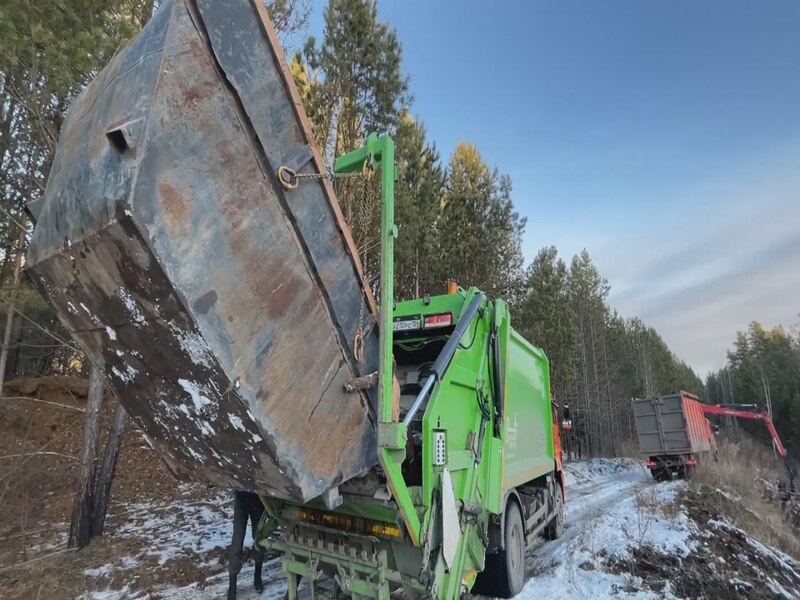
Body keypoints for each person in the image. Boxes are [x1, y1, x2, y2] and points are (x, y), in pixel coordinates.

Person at [228, 490, 267, 600]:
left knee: (259, 540)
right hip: (241, 499)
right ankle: (232, 585)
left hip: (258, 499)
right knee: (237, 539)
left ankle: (257, 576)